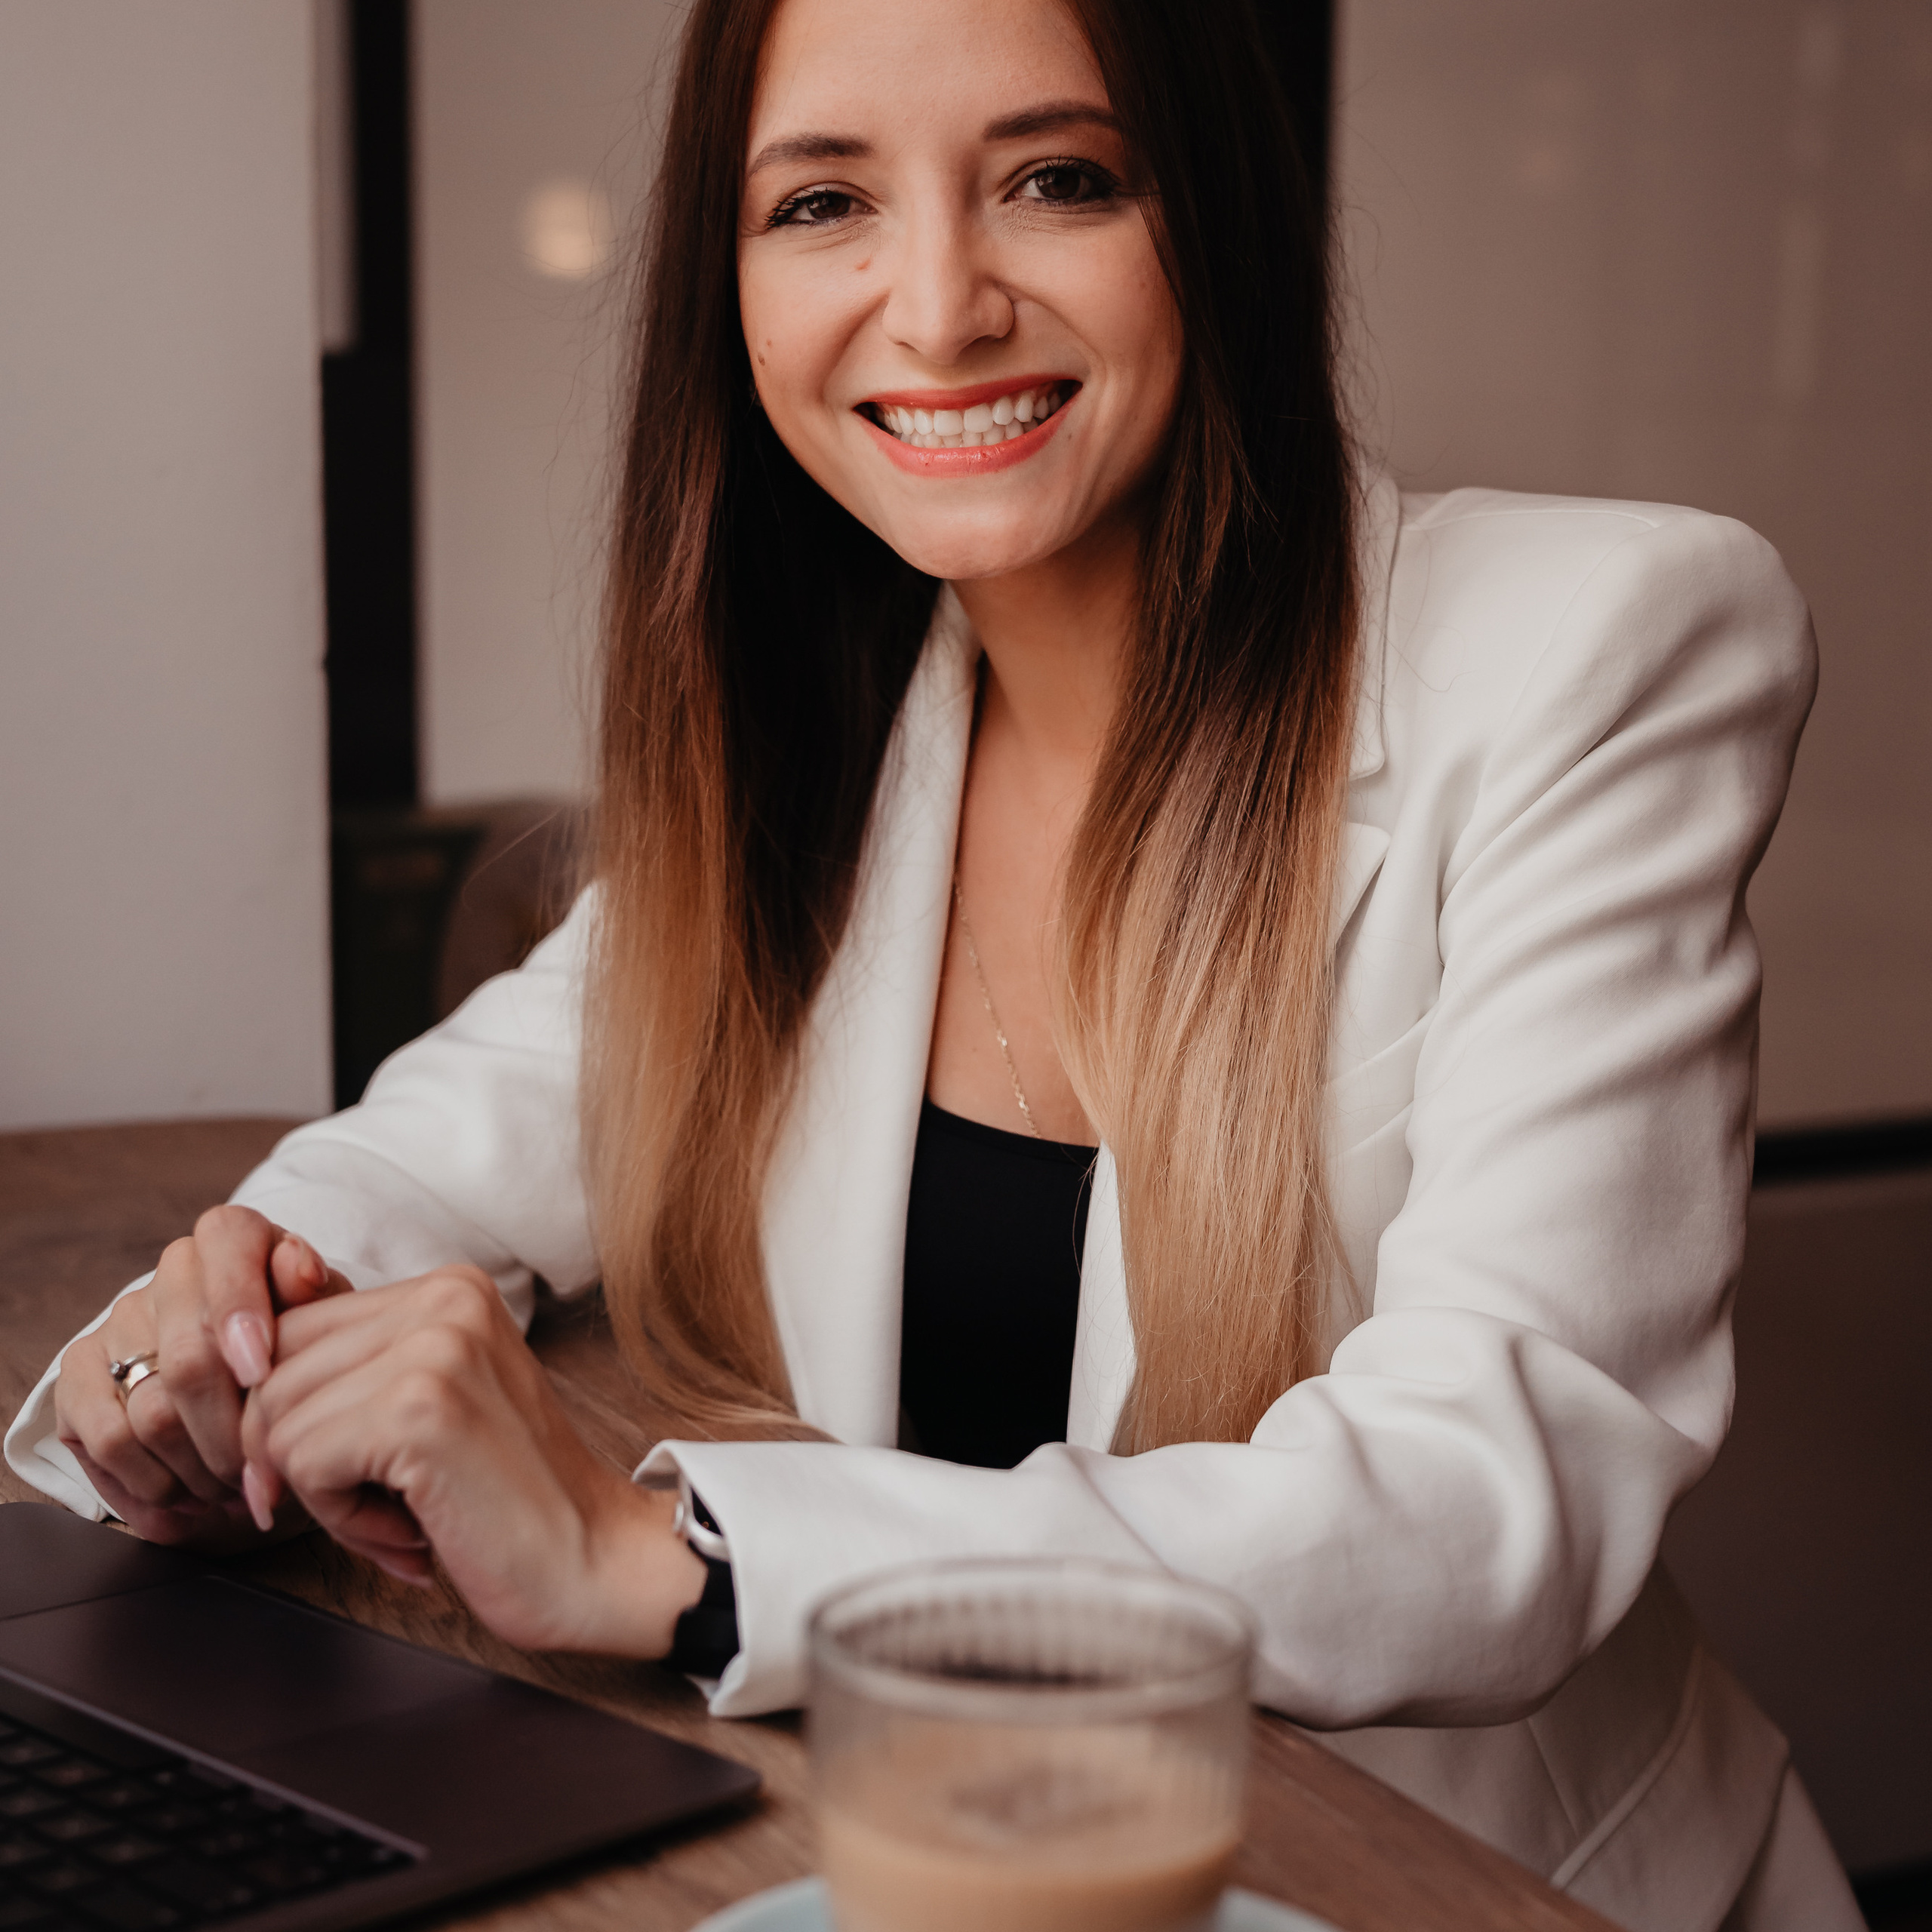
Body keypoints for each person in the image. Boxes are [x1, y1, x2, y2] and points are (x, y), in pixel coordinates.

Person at [5, 0, 1862, 1926]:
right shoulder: (841, 719)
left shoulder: (1602, 646)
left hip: (1427, 1884)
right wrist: (232, 1332)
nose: (940, 306)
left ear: (1211, 210)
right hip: (950, 1862)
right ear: (729, 283)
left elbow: (1489, 1503)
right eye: (822, 203)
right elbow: (451, 1138)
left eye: (1058, 179)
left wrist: (677, 1559)